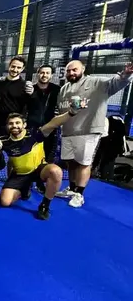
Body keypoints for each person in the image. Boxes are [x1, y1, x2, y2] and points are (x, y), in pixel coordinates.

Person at [56, 60, 133, 207]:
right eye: (68, 71)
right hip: (68, 132)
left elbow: (117, 82)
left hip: (88, 131)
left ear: (83, 69)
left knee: (84, 163)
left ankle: (79, 194)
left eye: (74, 70)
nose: (71, 73)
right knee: (71, 163)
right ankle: (71, 189)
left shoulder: (97, 82)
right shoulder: (64, 89)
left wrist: (126, 74)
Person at [0, 105, 87, 220]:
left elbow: (53, 123)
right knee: (5, 202)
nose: (14, 126)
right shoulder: (4, 141)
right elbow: (8, 163)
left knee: (56, 171)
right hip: (19, 174)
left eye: (17, 123)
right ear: (7, 126)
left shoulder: (35, 134)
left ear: (24, 125)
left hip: (39, 170)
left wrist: (71, 113)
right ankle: (24, 189)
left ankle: (45, 205)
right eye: (11, 123)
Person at [0, 56, 33, 139]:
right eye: (13, 66)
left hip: (14, 125)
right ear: (9, 66)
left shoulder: (25, 87)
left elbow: (26, 107)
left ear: (22, 69)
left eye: (18, 67)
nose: (15, 69)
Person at [27, 65, 61, 163]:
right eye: (42, 72)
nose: (44, 75)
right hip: (32, 127)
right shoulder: (30, 90)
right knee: (30, 154)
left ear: (51, 75)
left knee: (48, 156)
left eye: (47, 73)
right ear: (37, 74)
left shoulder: (57, 90)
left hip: (50, 128)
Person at [93, 115, 127, 181]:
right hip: (115, 146)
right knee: (111, 161)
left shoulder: (108, 121)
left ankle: (102, 175)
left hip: (107, 143)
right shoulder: (120, 124)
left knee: (104, 160)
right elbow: (123, 138)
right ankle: (108, 177)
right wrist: (123, 150)